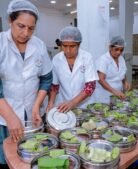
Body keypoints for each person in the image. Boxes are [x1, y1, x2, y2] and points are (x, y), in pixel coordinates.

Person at [0, 0, 52, 168]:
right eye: (20, 26)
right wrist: (10, 117)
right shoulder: (1, 44)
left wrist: (37, 106)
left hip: (31, 113)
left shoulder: (39, 45)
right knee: (7, 157)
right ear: (10, 20)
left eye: (31, 28)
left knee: (30, 157)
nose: (25, 33)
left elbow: (46, 78)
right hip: (3, 115)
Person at [46, 26, 98, 113]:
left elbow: (90, 86)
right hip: (62, 104)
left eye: (72, 46)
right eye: (65, 46)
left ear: (79, 44)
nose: (68, 50)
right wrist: (51, 103)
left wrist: (72, 103)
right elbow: (54, 85)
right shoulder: (57, 59)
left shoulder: (87, 57)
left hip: (83, 105)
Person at [94, 36, 131, 104]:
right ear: (110, 47)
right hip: (105, 94)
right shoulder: (103, 60)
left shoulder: (121, 59)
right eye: (116, 49)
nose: (119, 52)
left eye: (121, 50)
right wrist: (114, 91)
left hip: (118, 93)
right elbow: (101, 80)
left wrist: (125, 82)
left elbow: (122, 72)